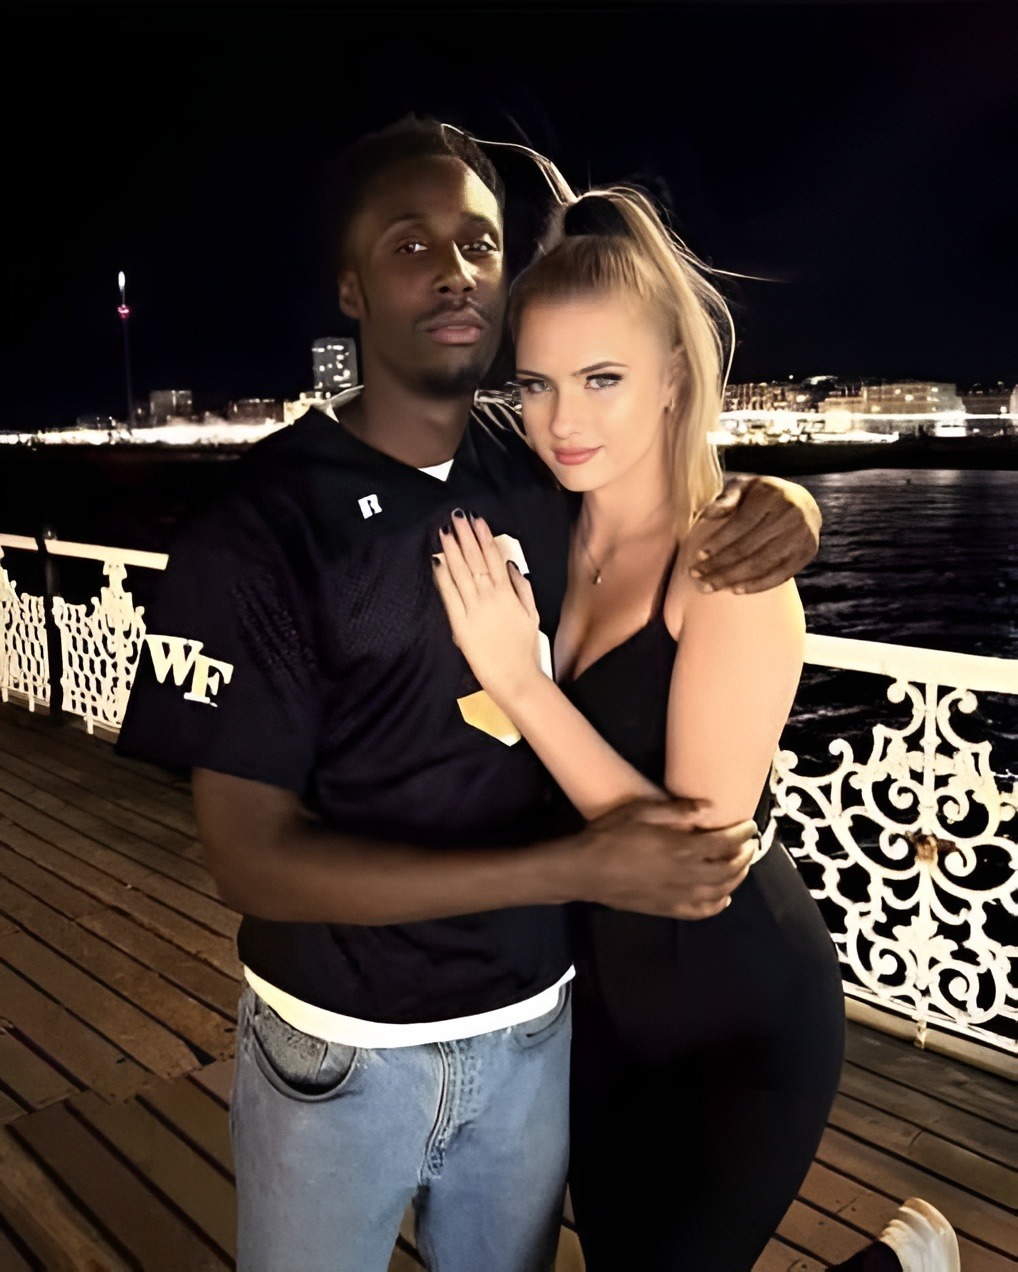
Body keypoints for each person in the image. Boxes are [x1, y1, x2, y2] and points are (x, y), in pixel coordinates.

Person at [113, 116, 825, 1272]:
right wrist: (570, 867)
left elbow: (657, 476)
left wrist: (787, 506)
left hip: (543, 1029)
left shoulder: (530, 468)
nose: (453, 272)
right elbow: (247, 860)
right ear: (350, 289)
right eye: (409, 245)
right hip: (341, 1046)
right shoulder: (258, 526)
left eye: (479, 243)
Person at [431, 182, 961, 1272]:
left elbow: (690, 859)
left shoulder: (725, 572)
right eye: (536, 384)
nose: (562, 421)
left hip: (738, 1014)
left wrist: (520, 683)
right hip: (594, 1011)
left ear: (675, 377)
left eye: (604, 379)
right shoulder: (536, 526)